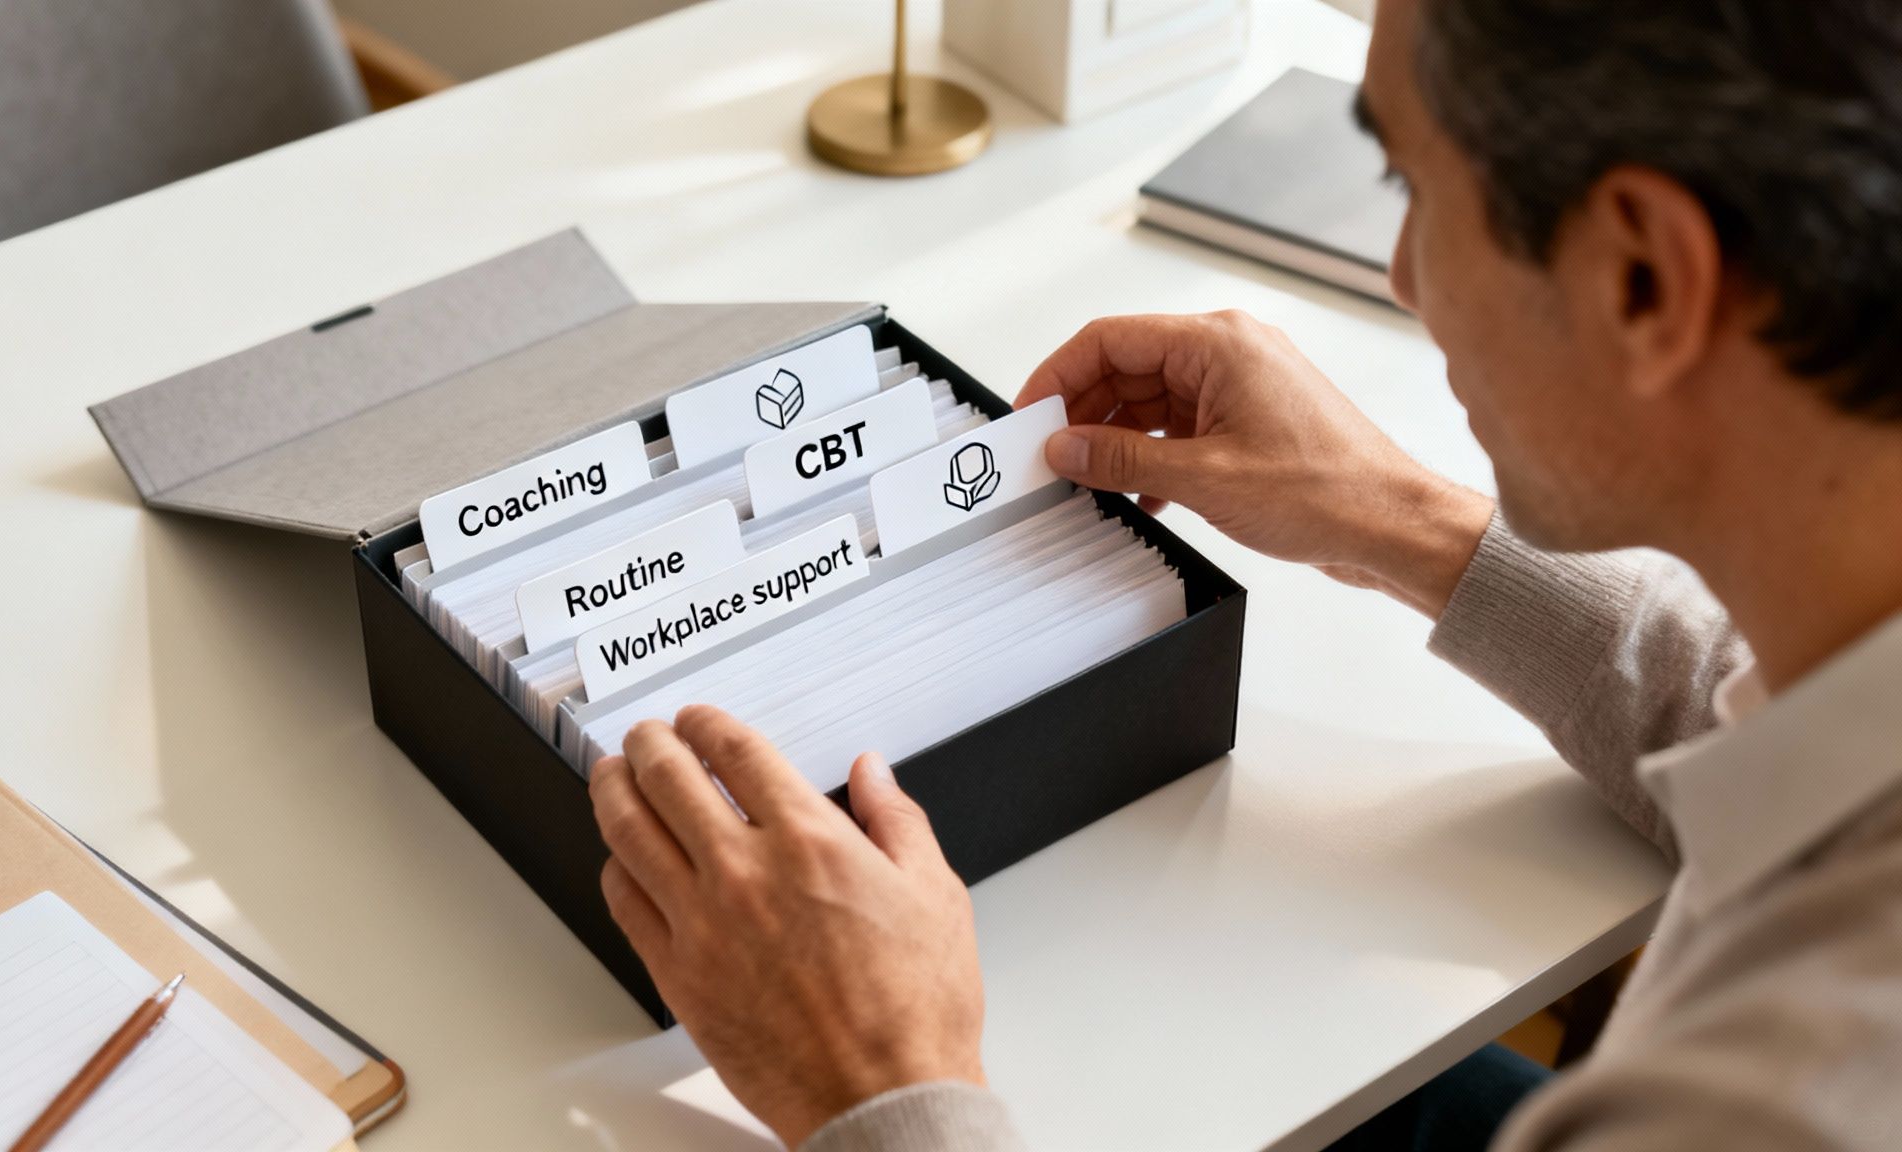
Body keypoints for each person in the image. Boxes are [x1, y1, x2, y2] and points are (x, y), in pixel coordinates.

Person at [584, 0, 1902, 1147]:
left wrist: (880, 1088)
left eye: (1417, 192)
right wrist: (1398, 518)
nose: (1401, 278)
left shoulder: (1781, 1094)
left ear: (1643, 278)